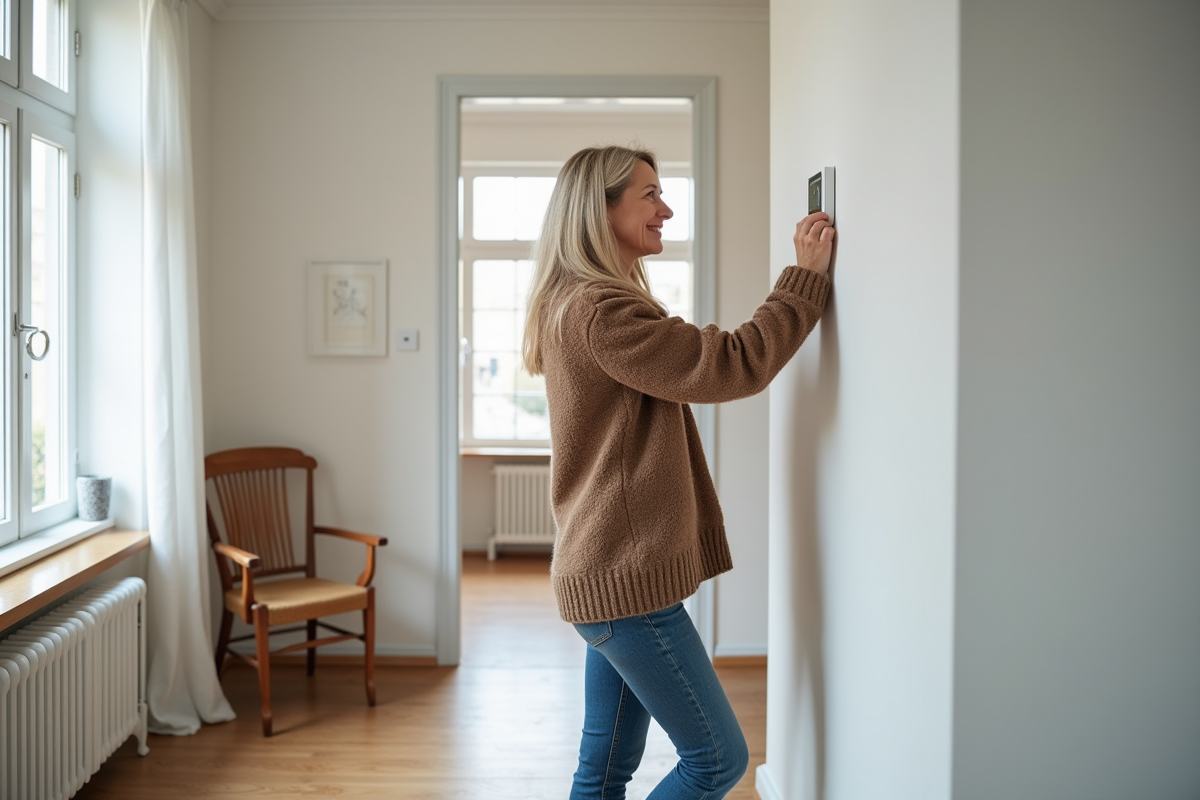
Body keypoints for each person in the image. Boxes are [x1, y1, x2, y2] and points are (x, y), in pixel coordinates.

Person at [522, 145, 835, 799]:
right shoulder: (601, 310)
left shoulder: (573, 303)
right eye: (650, 194)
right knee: (717, 760)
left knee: (603, 772)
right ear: (600, 210)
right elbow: (732, 362)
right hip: (625, 586)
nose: (666, 209)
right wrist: (803, 281)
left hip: (604, 577)